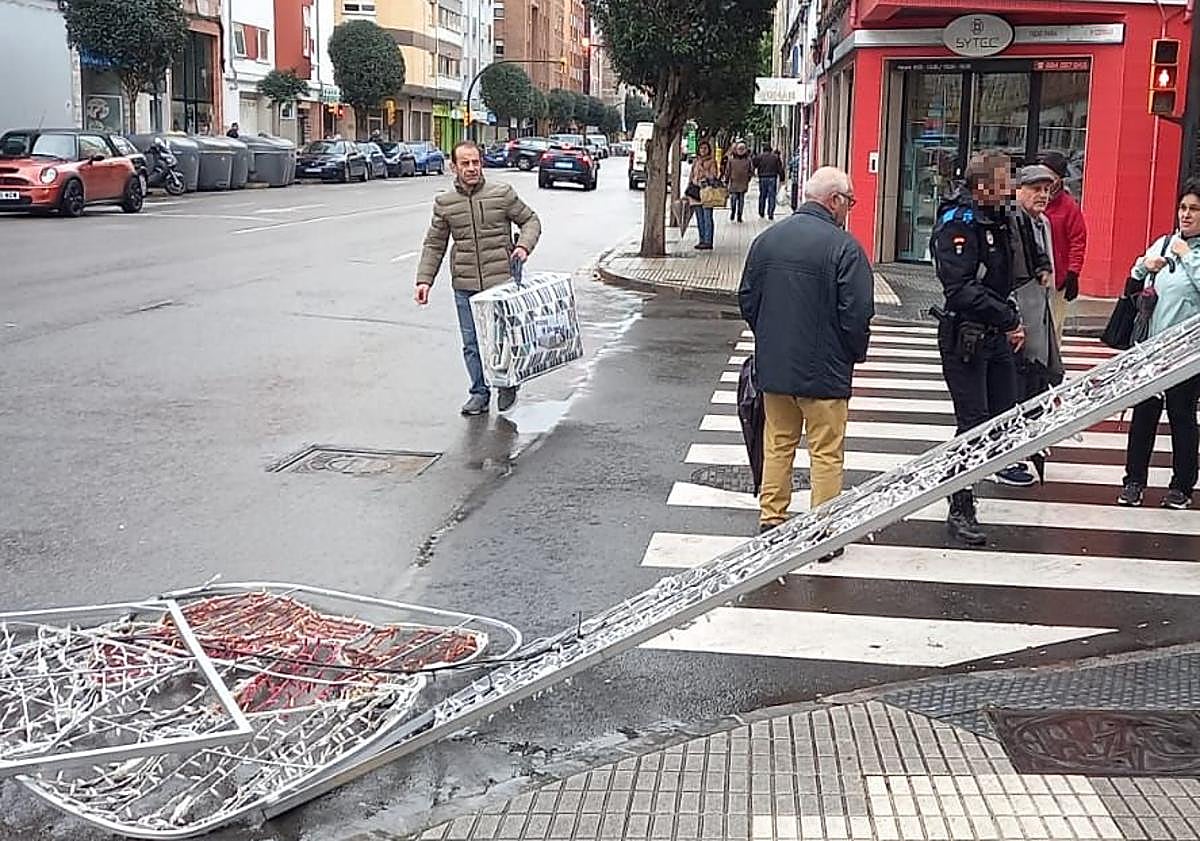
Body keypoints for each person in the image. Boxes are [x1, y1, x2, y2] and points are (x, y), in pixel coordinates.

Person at [738, 166, 874, 544]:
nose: (849, 208)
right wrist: (852, 353)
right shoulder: (845, 247)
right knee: (825, 452)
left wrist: (770, 336)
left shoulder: (767, 241)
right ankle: (821, 531)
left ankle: (771, 518)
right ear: (834, 201)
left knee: (778, 441)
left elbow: (747, 299)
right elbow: (857, 311)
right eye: (849, 201)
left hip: (776, 368)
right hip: (825, 372)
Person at [931, 151, 1029, 546]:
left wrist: (1011, 316)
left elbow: (1004, 278)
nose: (1011, 189)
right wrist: (1006, 317)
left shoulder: (999, 218)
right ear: (984, 185)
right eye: (1005, 182)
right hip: (966, 338)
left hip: (994, 335)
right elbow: (960, 288)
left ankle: (957, 473)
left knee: (1002, 419)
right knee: (974, 424)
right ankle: (960, 504)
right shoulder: (959, 222)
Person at [415, 140, 542, 416]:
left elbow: (531, 221)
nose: (472, 168)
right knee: (472, 343)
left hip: (501, 283)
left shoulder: (502, 193)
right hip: (465, 284)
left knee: (501, 339)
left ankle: (507, 383)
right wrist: (424, 280)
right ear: (454, 167)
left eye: (475, 162)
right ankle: (479, 393)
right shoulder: (445, 203)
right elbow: (434, 244)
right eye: (465, 163)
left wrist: (523, 247)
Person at [1117, 180, 1200, 509]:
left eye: (1194, 209)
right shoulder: (1164, 242)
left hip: (1187, 351)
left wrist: (1187, 258)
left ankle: (1182, 486)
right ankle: (1134, 481)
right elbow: (1136, 275)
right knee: (1144, 414)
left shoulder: (1188, 251)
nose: (1186, 215)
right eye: (1183, 208)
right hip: (1151, 347)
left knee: (1181, 415)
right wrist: (1143, 265)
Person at [1009, 165, 1064, 480]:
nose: (1043, 195)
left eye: (1047, 189)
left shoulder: (1042, 223)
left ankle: (1026, 447)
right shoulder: (1011, 223)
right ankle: (1007, 458)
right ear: (1018, 189)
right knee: (1011, 395)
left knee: (1034, 388)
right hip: (1014, 327)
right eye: (1036, 188)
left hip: (1039, 325)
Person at [1038, 151, 1087, 341]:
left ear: (1059, 179)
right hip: (1032, 278)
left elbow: (1078, 240)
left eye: (1051, 177)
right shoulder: (1030, 200)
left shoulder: (1068, 207)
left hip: (1057, 278)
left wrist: (1073, 273)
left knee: (1053, 328)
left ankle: (1051, 368)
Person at [688, 141, 720, 250]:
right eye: (701, 148)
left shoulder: (711, 161)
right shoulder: (696, 161)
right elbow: (692, 175)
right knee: (699, 217)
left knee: (707, 217)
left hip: (707, 191)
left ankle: (708, 241)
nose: (703, 151)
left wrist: (705, 170)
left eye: (705, 148)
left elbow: (714, 176)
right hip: (696, 191)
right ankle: (701, 239)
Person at [722, 140, 753, 223]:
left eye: (743, 149)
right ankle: (733, 211)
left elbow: (751, 171)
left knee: (741, 200)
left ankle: (739, 215)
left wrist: (748, 178)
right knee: (733, 199)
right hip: (734, 182)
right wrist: (726, 180)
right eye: (739, 149)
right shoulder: (731, 160)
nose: (741, 150)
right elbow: (728, 171)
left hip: (743, 182)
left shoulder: (748, 160)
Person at [753, 147, 785, 220]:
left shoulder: (759, 157)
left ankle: (761, 212)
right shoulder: (775, 158)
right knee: (771, 196)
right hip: (772, 178)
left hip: (762, 178)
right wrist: (782, 178)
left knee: (762, 195)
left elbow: (754, 164)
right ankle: (770, 213)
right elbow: (780, 168)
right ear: (771, 150)